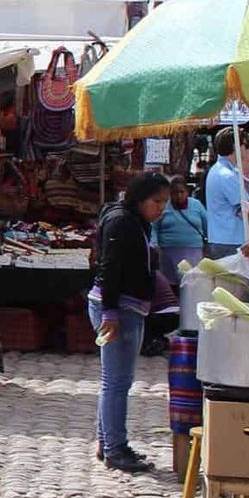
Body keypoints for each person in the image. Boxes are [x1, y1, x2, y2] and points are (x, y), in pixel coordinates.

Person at [88, 172, 170, 473]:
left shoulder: (135, 222)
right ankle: (115, 448)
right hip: (118, 309)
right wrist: (110, 313)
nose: (160, 208)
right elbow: (109, 267)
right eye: (156, 201)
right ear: (140, 199)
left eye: (164, 203)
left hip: (127, 307)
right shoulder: (122, 222)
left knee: (115, 381)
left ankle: (106, 441)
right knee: (117, 383)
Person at [205, 127, 249, 258]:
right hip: (230, 242)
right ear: (236, 147)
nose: (246, 148)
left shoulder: (222, 171)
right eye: (244, 144)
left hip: (225, 240)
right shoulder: (226, 175)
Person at [153, 175, 207, 281]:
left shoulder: (196, 205)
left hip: (193, 252)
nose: (179, 195)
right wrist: (154, 244)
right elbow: (154, 227)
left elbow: (207, 225)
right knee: (170, 283)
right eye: (175, 193)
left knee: (192, 282)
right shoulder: (164, 206)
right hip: (168, 252)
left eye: (182, 192)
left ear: (187, 192)